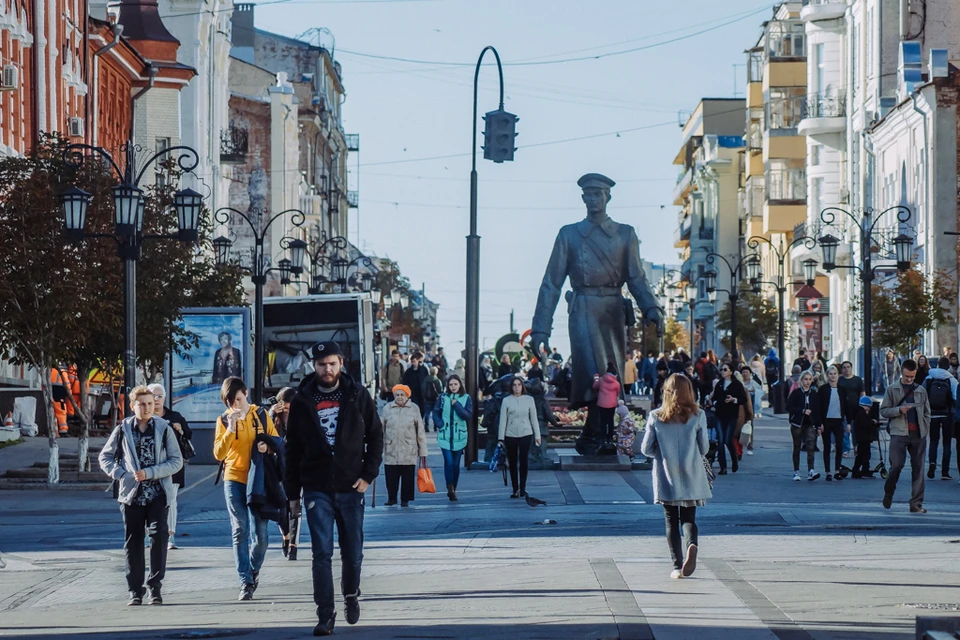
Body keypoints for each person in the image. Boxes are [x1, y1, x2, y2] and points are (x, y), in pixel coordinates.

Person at [284, 341, 383, 636]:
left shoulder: (356, 394)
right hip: (316, 487)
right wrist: (292, 495)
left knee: (352, 552)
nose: (327, 369)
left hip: (351, 486)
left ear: (341, 363)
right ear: (313, 366)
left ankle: (351, 593)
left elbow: (375, 436)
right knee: (321, 553)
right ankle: (325, 614)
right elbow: (292, 450)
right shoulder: (302, 399)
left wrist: (368, 475)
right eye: (321, 364)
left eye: (332, 363)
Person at [99, 386, 183, 606]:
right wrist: (121, 475)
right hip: (132, 496)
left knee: (158, 538)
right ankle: (135, 591)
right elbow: (105, 457)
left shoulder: (164, 428)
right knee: (133, 542)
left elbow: (176, 461)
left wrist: (152, 472)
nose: (146, 407)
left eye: (150, 403)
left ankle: (155, 588)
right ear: (132, 406)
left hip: (158, 493)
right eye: (142, 404)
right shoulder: (123, 429)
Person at [640, 374, 711, 579]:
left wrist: (661, 453)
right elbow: (704, 448)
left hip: (667, 473)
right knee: (688, 518)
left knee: (671, 520)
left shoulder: (656, 416)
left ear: (667, 392)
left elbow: (645, 449)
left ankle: (677, 566)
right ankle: (692, 544)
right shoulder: (698, 415)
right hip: (692, 473)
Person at [214, 377, 278, 601]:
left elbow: (277, 442)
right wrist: (231, 428)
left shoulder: (260, 415)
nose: (235, 405)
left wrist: (266, 446)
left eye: (238, 399)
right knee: (239, 529)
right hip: (233, 478)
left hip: (258, 480)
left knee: (260, 536)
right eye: (230, 402)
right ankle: (245, 581)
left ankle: (253, 569)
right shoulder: (223, 420)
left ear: (245, 394)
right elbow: (219, 454)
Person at [879, 359, 930, 512]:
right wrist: (898, 410)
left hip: (918, 433)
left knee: (919, 469)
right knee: (897, 465)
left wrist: (925, 428)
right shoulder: (892, 389)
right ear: (902, 372)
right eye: (907, 376)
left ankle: (916, 504)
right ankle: (889, 492)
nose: (909, 379)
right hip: (899, 433)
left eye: (912, 377)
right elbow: (883, 411)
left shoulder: (921, 390)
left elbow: (927, 412)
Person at [146, 383, 191, 551]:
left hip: (173, 466)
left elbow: (188, 435)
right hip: (150, 466)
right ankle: (148, 534)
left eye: (159, 396)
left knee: (170, 500)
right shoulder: (143, 417)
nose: (156, 400)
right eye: (152, 396)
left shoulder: (175, 416)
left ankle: (170, 536)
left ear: (164, 398)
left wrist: (180, 430)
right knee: (148, 500)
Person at [380, 384, 427, 507]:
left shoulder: (414, 409)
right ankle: (392, 498)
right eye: (397, 395)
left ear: (407, 396)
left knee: (407, 476)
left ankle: (405, 499)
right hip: (391, 447)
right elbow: (380, 429)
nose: (399, 397)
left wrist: (423, 451)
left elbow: (420, 431)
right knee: (391, 476)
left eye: (402, 395)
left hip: (408, 448)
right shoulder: (387, 408)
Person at [268, 387, 300, 560]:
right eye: (285, 408)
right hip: (277, 469)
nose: (287, 411)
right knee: (281, 508)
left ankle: (293, 545)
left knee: (295, 508)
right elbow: (267, 436)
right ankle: (286, 536)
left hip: (296, 468)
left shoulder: (302, 419)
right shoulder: (274, 418)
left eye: (290, 408)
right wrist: (272, 414)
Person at [497, 376, 540, 498]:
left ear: (523, 386)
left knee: (523, 460)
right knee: (512, 461)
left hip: (526, 432)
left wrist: (537, 435)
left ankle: (523, 488)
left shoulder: (529, 400)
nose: (517, 387)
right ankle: (515, 488)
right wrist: (501, 438)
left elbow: (534, 418)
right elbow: (503, 420)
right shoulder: (506, 401)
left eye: (519, 385)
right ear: (511, 387)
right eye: (514, 385)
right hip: (510, 434)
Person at [433, 374, 472, 501]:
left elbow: (467, 415)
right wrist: (440, 425)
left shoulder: (466, 398)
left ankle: (454, 487)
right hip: (445, 435)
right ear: (447, 386)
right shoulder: (442, 397)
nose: (453, 387)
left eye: (455, 384)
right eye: (451, 384)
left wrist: (457, 405)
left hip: (459, 435)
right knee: (448, 462)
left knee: (456, 465)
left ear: (460, 384)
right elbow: (436, 412)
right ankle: (449, 487)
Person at [708, 363, 746, 475]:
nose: (722, 371)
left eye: (725, 369)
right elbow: (714, 397)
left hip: (731, 416)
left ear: (731, 372)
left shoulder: (737, 384)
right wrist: (715, 403)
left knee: (727, 440)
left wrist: (733, 399)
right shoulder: (720, 384)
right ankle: (723, 467)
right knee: (720, 441)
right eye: (721, 370)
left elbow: (743, 399)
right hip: (720, 415)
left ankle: (734, 458)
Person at [923, 356, 958, 481]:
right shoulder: (951, 380)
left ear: (937, 365)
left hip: (933, 414)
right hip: (947, 415)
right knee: (947, 443)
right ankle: (945, 471)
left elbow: (923, 395)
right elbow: (955, 397)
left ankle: (932, 462)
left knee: (933, 441)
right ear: (948, 366)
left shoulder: (929, 378)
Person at [817, 366, 850, 481]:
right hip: (826, 421)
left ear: (838, 375)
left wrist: (849, 422)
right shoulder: (823, 389)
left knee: (839, 446)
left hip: (838, 421)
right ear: (827, 375)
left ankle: (837, 470)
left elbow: (846, 406)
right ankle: (828, 472)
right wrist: (819, 423)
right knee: (827, 447)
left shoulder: (842, 389)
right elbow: (819, 407)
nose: (833, 376)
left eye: (835, 373)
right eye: (830, 374)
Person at [787, 371, 821, 482]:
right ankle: (796, 471)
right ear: (801, 380)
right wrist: (802, 411)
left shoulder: (814, 394)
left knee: (811, 446)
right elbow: (789, 407)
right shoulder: (796, 393)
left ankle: (811, 470)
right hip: (797, 423)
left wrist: (819, 425)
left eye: (809, 379)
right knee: (797, 446)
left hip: (810, 423)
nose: (807, 382)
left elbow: (817, 410)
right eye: (805, 379)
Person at [851, 396, 880, 478]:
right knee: (865, 454)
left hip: (861, 437)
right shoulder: (861, 413)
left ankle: (856, 470)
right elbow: (865, 424)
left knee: (860, 455)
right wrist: (872, 423)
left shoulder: (858, 412)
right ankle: (864, 470)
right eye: (869, 407)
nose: (869, 409)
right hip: (864, 437)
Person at [593, 363, 622, 441]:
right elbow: (617, 392)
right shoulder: (616, 384)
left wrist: (596, 378)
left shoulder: (601, 380)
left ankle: (603, 436)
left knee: (602, 421)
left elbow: (595, 386)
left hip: (602, 403)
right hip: (612, 404)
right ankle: (609, 437)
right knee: (610, 420)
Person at [402, 352, 429, 419]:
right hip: (413, 392)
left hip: (422, 392)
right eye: (412, 361)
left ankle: (420, 419)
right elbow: (405, 381)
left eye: (414, 361)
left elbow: (427, 380)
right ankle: (415, 420)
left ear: (418, 361)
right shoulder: (409, 371)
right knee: (414, 407)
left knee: (423, 409)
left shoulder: (423, 369)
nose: (413, 363)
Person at [421, 366, 443, 432]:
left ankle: (426, 425)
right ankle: (435, 426)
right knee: (435, 413)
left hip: (427, 399)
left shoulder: (425, 380)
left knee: (427, 413)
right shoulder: (437, 380)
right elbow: (440, 390)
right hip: (435, 399)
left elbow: (423, 389)